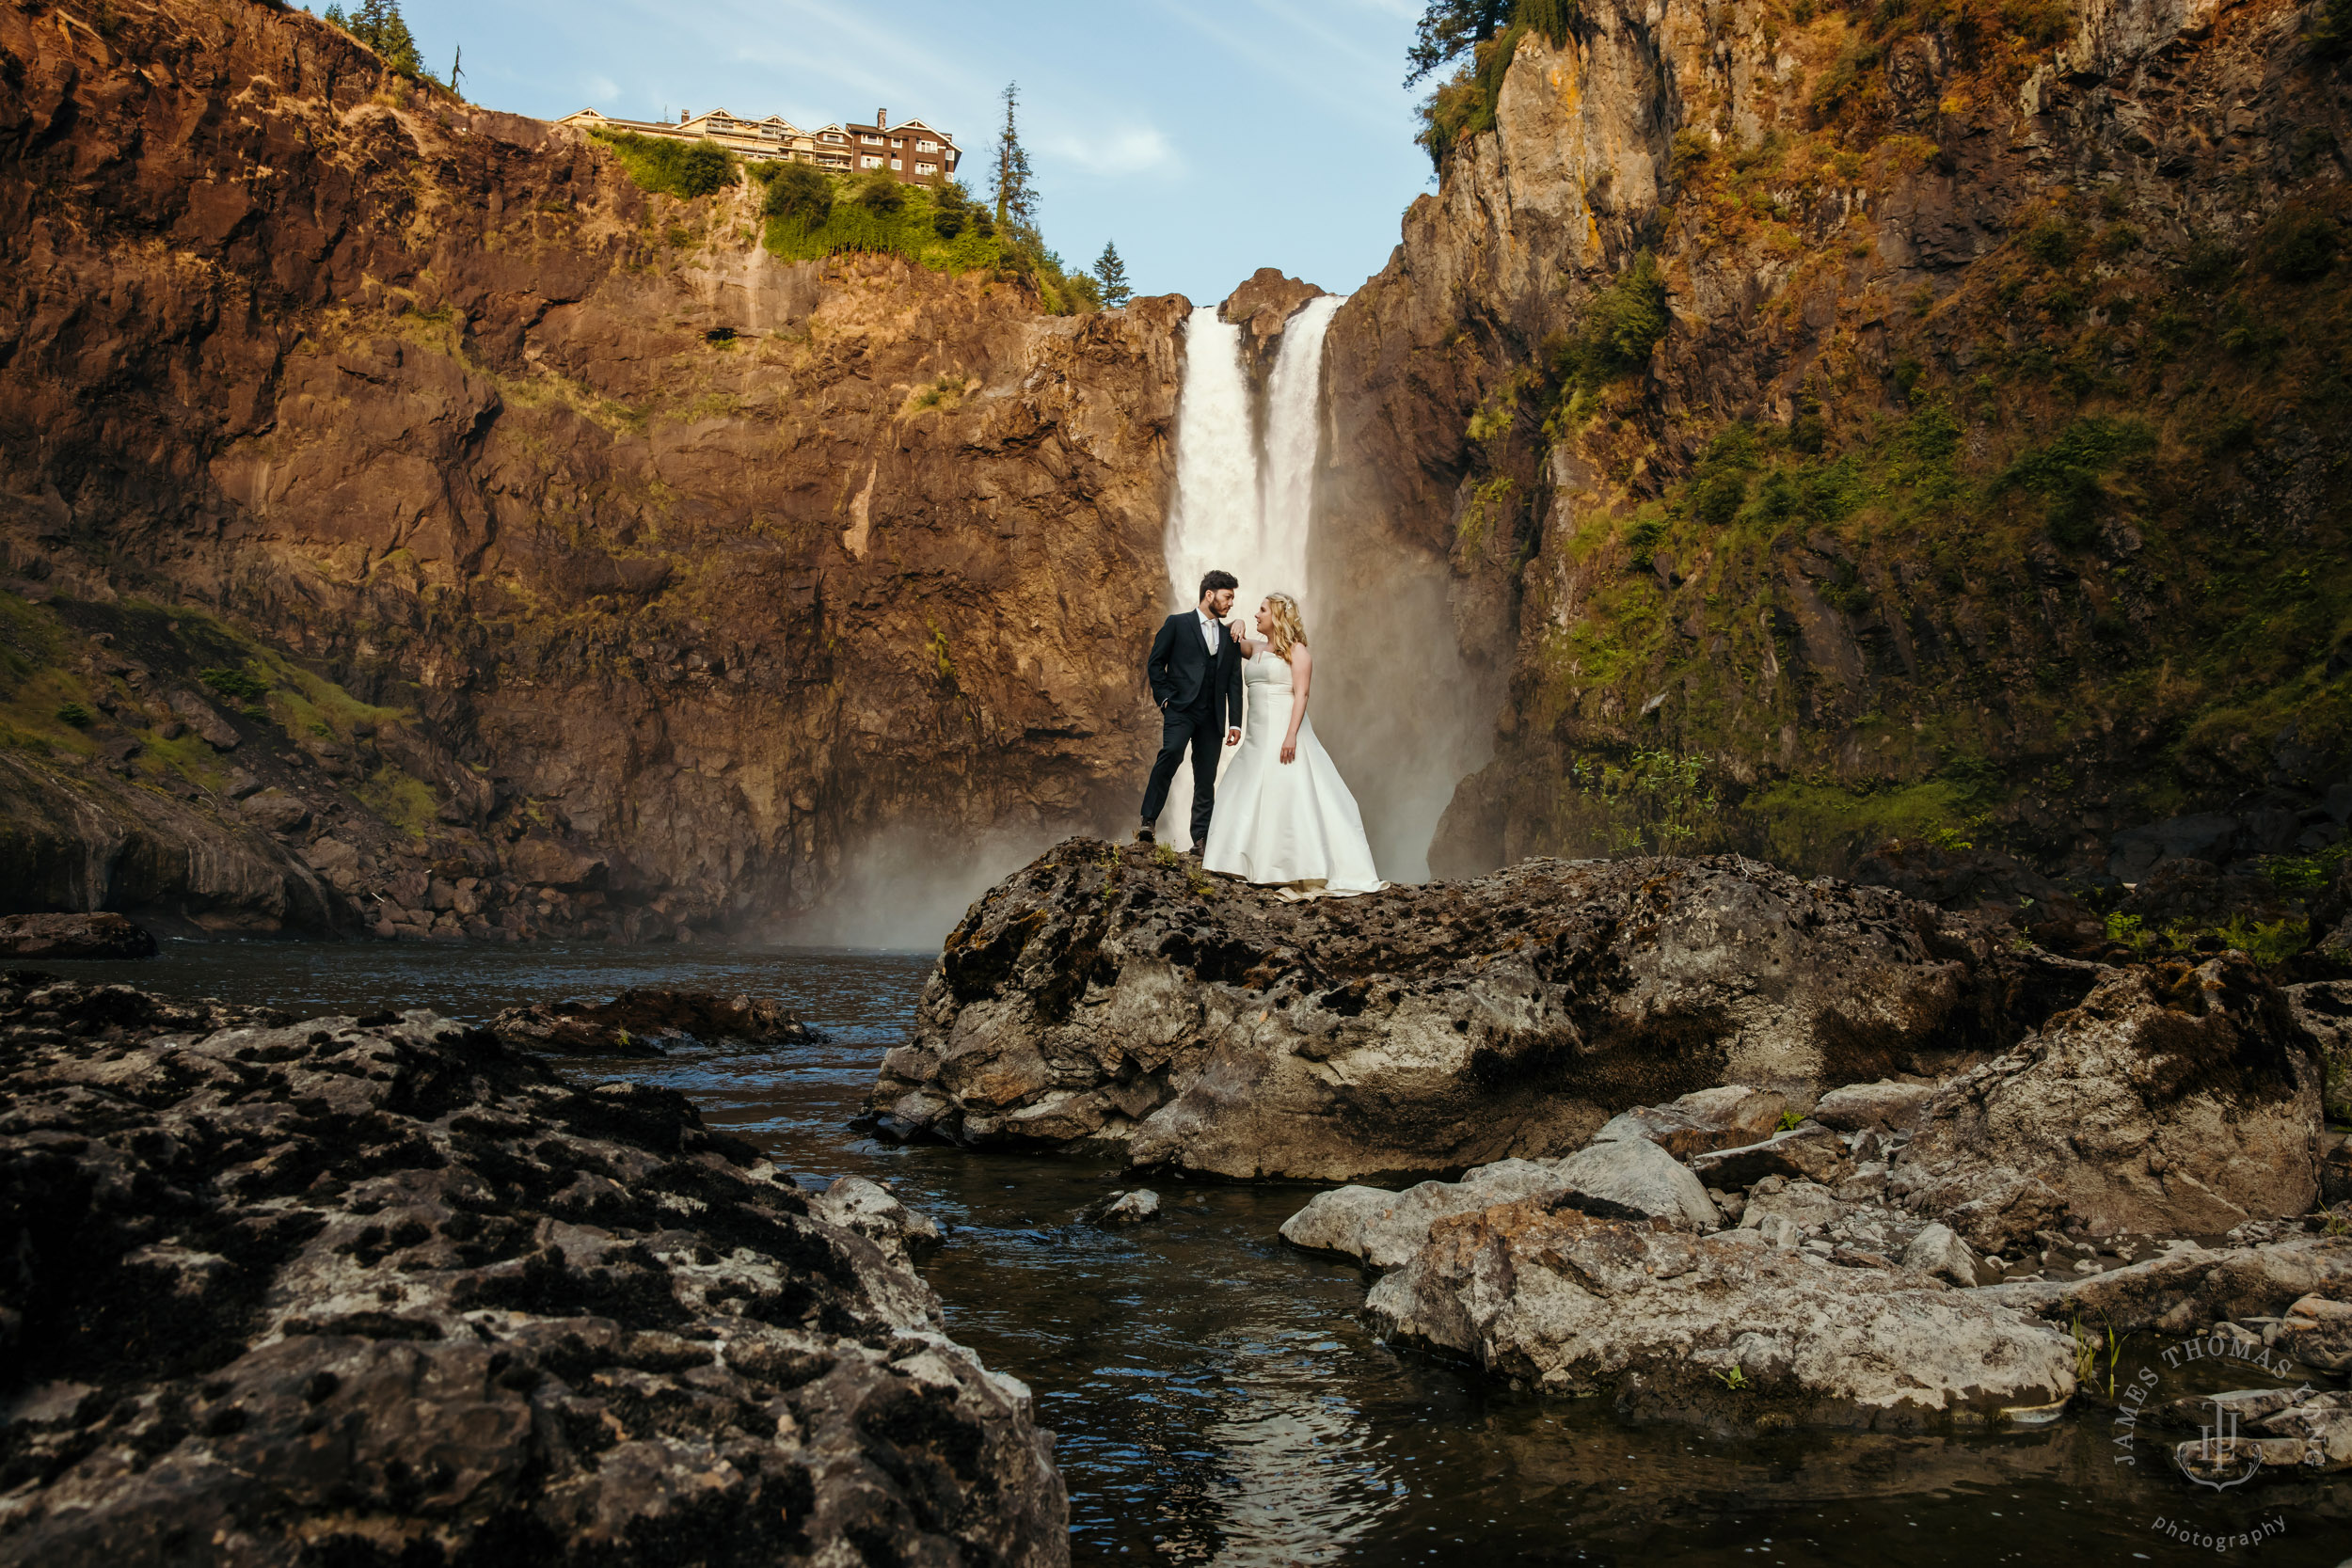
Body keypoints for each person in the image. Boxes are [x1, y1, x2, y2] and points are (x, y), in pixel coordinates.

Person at [1200, 592, 1382, 895]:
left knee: (1287, 791)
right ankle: (1240, 861)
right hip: (1257, 735)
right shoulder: (1255, 648)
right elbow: (1227, 636)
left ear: (1278, 617)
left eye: (1261, 611)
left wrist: (1291, 734)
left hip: (1284, 731)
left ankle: (1291, 865)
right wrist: (1239, 621)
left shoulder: (1298, 653)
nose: (1257, 615)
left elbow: (1302, 694)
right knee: (1242, 787)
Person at [1138, 569, 1244, 849]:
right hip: (1180, 709)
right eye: (1227, 597)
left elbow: (1235, 680)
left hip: (1213, 715)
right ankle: (1148, 820)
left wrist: (1235, 722)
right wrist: (1165, 699)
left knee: (1206, 776)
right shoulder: (1177, 624)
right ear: (1209, 595)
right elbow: (1155, 663)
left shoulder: (1230, 634)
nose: (1231, 603)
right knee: (1170, 755)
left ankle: (1201, 839)